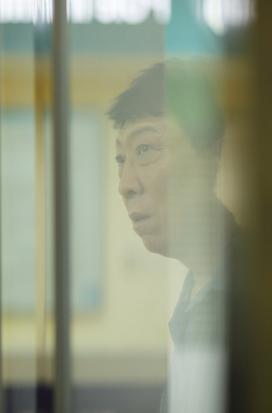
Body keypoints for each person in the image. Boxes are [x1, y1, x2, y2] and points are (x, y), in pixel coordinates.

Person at [108, 61, 237, 413]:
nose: (125, 185)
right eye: (121, 159)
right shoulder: (196, 291)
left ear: (210, 154)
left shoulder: (252, 296)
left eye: (145, 149)